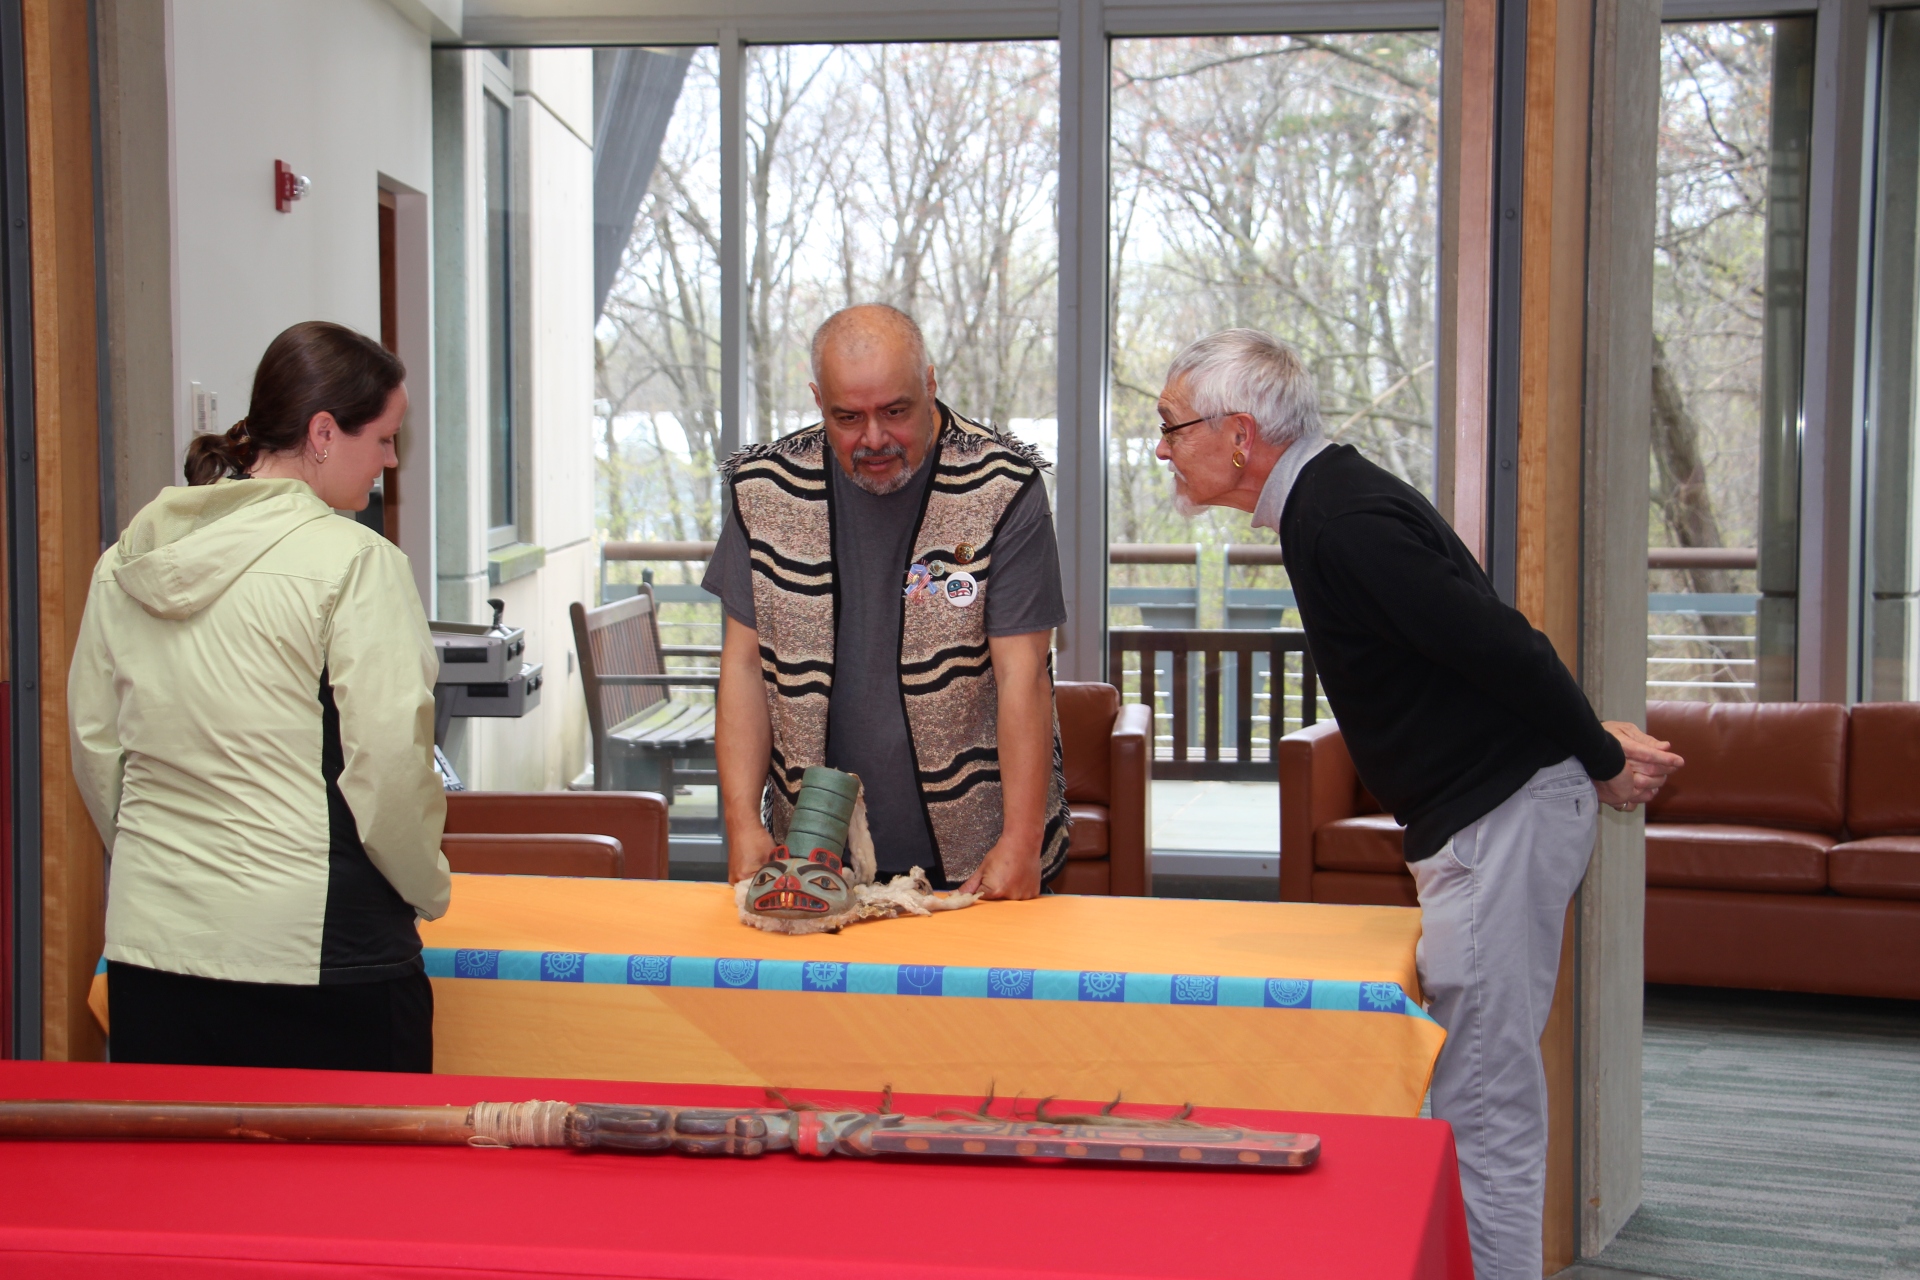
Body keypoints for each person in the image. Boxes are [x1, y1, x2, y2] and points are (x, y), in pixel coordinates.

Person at [1152, 329, 1683, 1280]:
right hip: (1490, 813)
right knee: (1473, 1092)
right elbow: (1465, 653)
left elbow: (1502, 644)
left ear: (1236, 435)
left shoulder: (1340, 516)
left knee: (1481, 1104)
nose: (1160, 449)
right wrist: (1584, 738)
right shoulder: (1328, 502)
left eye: (1170, 426)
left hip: (1500, 819)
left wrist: (1598, 755)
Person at [69, 320, 449, 1072]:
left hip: (155, 948)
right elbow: (386, 770)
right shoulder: (355, 562)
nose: (390, 461)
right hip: (317, 951)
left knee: (177, 1187)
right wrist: (428, 885)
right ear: (321, 432)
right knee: (348, 1190)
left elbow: (99, 749)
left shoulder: (126, 563)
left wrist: (167, 867)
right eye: (381, 439)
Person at [706, 304, 1070, 898]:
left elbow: (1022, 675)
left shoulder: (1001, 487)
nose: (874, 439)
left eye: (895, 412)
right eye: (847, 417)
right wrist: (741, 819)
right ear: (818, 400)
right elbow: (743, 665)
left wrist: (1022, 841)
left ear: (930, 384)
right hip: (806, 852)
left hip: (978, 850)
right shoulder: (765, 489)